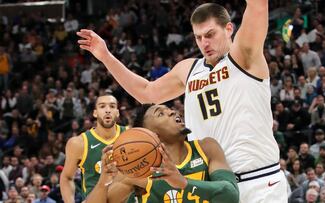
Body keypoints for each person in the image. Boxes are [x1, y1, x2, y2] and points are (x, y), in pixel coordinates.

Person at [77, 2, 287, 201]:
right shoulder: (188, 69)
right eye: (198, 37)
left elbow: (258, 5)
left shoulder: (244, 56)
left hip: (258, 181)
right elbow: (146, 93)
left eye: (210, 34)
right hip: (208, 184)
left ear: (229, 28)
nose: (204, 43)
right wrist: (105, 56)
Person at [85, 104, 239, 203]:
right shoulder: (137, 170)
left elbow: (231, 195)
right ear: (150, 134)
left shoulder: (206, 148)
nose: (173, 112)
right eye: (161, 114)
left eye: (169, 109)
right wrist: (102, 183)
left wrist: (183, 183)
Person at [60, 94, 128, 202]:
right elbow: (67, 178)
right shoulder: (79, 143)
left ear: (117, 112)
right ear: (95, 113)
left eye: (112, 106)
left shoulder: (131, 135)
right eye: (102, 106)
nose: (107, 110)